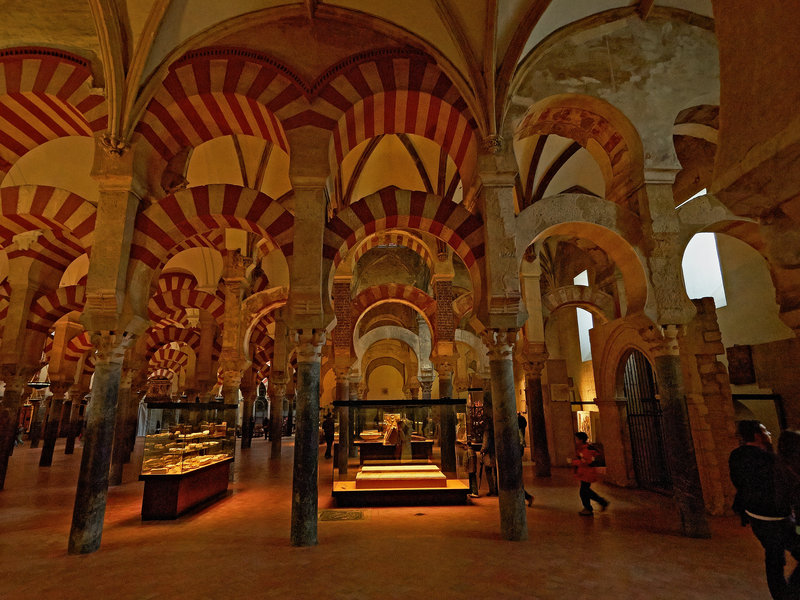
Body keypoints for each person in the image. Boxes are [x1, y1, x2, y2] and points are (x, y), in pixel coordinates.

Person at [730, 420, 800, 600]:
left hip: (755, 517)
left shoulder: (736, 456)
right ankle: (790, 594)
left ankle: (782, 594)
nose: (768, 433)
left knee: (773, 557)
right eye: (765, 430)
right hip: (777, 519)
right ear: (756, 435)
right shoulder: (771, 460)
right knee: (778, 555)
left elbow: (738, 483)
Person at [572, 431, 609, 516]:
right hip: (585, 472)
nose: (575, 441)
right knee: (585, 491)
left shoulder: (586, 450)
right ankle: (600, 503)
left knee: (584, 491)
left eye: (576, 439)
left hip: (587, 473)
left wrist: (574, 462)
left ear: (581, 440)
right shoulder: (584, 448)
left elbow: (586, 462)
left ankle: (590, 508)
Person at [480, 415, 498, 497]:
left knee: (488, 471)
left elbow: (485, 443)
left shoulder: (487, 432)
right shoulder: (496, 430)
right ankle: (497, 488)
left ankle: (492, 489)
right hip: (496, 452)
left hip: (489, 453)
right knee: (496, 472)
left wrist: (482, 450)